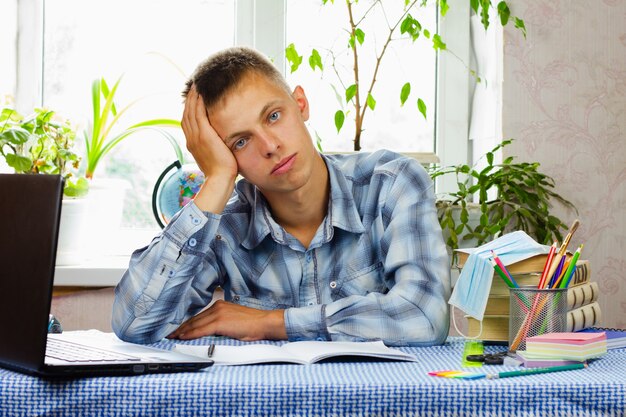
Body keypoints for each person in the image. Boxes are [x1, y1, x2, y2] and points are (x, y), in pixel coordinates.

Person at [112, 46, 451, 346]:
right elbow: (135, 325)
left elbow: (424, 314)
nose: (270, 146)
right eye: (240, 142)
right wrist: (217, 180)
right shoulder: (227, 227)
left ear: (300, 104)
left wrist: (271, 323)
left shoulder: (390, 184)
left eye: (274, 116)